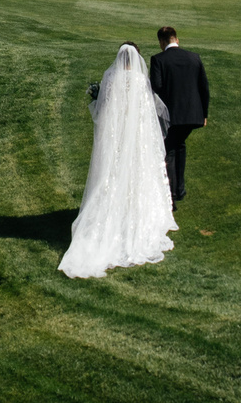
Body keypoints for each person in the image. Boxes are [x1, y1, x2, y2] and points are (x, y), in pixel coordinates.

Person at [58, 42, 178, 278]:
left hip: (116, 139)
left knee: (112, 174)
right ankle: (133, 216)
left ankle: (114, 214)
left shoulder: (111, 79)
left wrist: (95, 99)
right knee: (136, 174)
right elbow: (146, 115)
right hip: (135, 139)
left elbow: (103, 112)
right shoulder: (140, 81)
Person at [149, 26, 210, 202]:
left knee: (169, 150)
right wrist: (204, 114)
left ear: (161, 42)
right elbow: (204, 87)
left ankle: (172, 194)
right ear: (177, 39)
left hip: (171, 116)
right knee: (179, 146)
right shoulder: (194, 57)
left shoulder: (158, 59)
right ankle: (180, 189)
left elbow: (156, 87)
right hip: (193, 115)